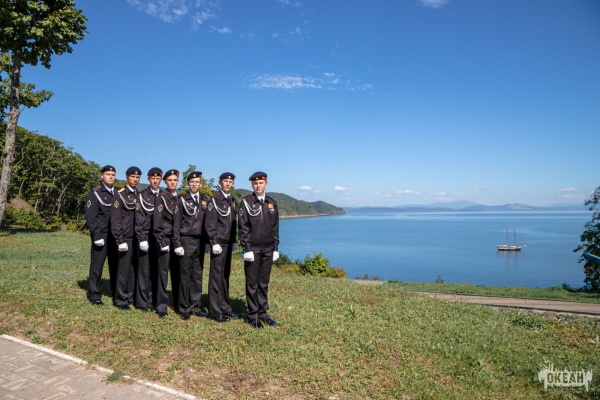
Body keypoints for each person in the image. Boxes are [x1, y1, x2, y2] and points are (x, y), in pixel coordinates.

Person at [238, 171, 279, 328]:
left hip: (268, 248)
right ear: (252, 185)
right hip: (253, 248)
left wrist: (275, 247)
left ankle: (263, 312)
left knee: (264, 282)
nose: (258, 185)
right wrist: (246, 247)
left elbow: (275, 227)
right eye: (255, 183)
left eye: (261, 183)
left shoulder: (272, 203)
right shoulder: (246, 202)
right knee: (252, 282)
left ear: (266, 184)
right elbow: (243, 227)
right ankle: (253, 315)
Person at [172, 171, 210, 320]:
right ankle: (184, 307)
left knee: (197, 275)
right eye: (192, 182)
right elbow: (176, 224)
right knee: (185, 275)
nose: (194, 184)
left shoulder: (205, 201)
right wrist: (177, 243)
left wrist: (209, 242)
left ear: (201, 184)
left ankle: (196, 306)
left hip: (200, 242)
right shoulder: (181, 200)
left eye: (197, 182)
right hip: (186, 240)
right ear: (188, 183)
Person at [205, 172, 241, 322]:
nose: (228, 184)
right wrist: (214, 242)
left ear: (233, 184)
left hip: (227, 243)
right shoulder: (215, 200)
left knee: (225, 276)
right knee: (216, 277)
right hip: (218, 244)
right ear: (220, 182)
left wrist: (233, 240)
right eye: (225, 181)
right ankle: (215, 311)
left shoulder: (232, 199)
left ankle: (225, 307)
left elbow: (232, 223)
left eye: (230, 182)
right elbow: (210, 223)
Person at [85, 165, 119, 306]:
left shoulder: (118, 192)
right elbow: (91, 216)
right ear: (102, 175)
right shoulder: (95, 192)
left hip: (115, 235)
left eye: (113, 174)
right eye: (108, 174)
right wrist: (96, 234)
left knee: (116, 265)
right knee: (97, 266)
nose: (110, 176)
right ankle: (94, 294)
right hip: (102, 234)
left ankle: (116, 293)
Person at [111, 166, 141, 310]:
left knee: (134, 269)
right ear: (127, 177)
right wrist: (119, 239)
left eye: (137, 177)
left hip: (137, 237)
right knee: (123, 269)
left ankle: (130, 296)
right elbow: (116, 219)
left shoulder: (139, 195)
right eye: (132, 177)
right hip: (126, 237)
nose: (135, 179)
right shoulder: (120, 195)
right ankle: (121, 300)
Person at [134, 167, 162, 312]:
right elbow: (139, 217)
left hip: (159, 238)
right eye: (153, 178)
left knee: (156, 269)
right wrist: (142, 237)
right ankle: (142, 302)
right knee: (144, 270)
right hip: (146, 237)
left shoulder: (163, 195)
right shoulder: (142, 195)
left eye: (158, 178)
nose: (155, 181)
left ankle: (155, 300)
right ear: (148, 179)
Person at [153, 169, 180, 318]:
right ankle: (162, 306)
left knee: (177, 273)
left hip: (177, 241)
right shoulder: (161, 198)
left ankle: (177, 303)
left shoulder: (179, 198)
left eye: (175, 180)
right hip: (165, 239)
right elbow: (157, 223)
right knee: (163, 274)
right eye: (170, 180)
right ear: (165, 182)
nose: (173, 182)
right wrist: (162, 241)